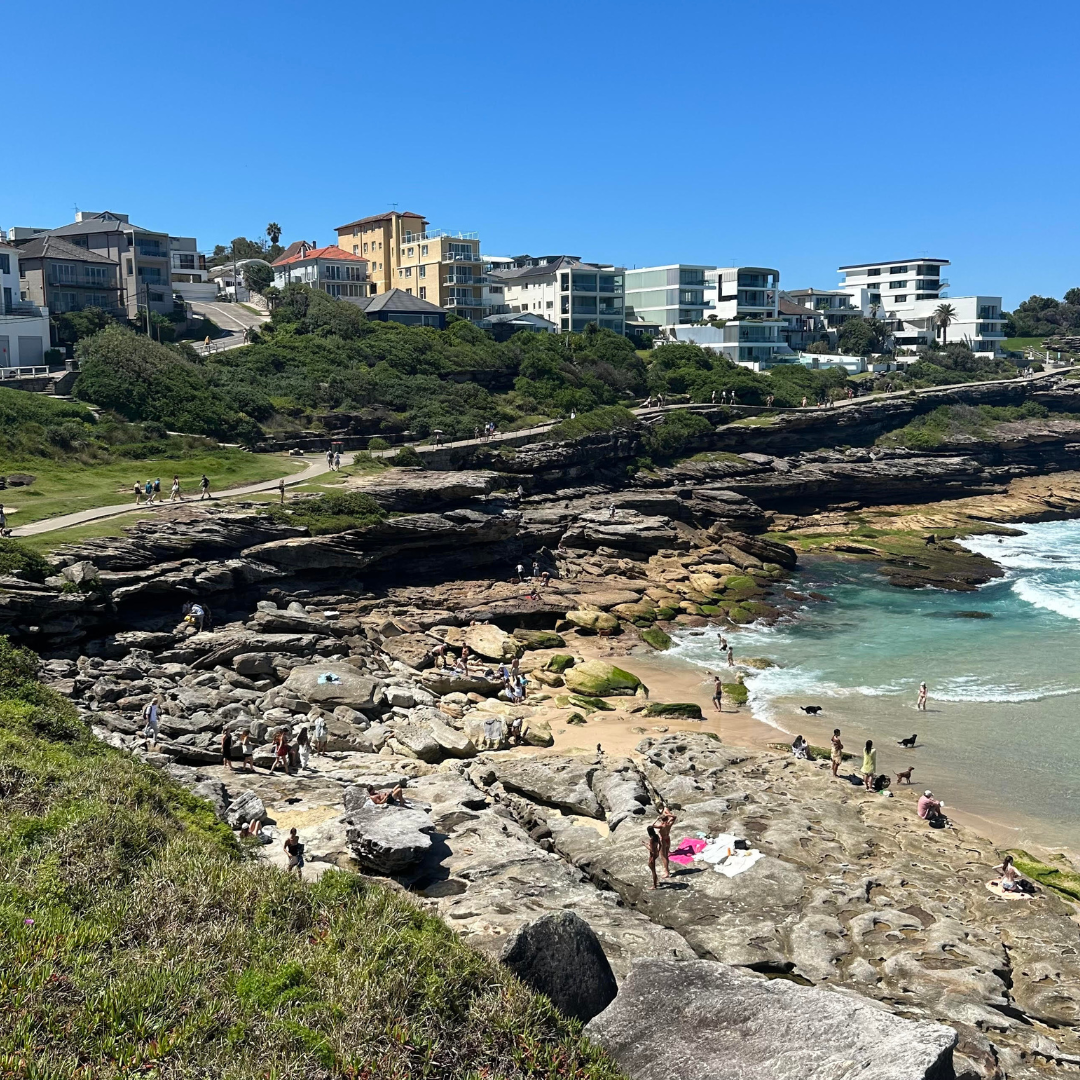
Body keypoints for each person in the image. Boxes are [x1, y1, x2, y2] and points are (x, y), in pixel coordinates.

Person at [653, 807, 677, 879]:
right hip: (668, 839)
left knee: (663, 857)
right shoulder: (669, 824)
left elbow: (652, 826)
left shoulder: (661, 826)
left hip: (663, 840)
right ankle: (667, 869)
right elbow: (675, 817)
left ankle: (666, 872)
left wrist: (657, 819)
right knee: (666, 855)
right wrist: (669, 815)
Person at [643, 825, 661, 890]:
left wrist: (645, 845)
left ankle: (654, 885)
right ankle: (656, 880)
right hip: (656, 853)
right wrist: (658, 851)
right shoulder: (657, 836)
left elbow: (651, 850)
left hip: (652, 855)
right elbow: (660, 844)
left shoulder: (651, 839)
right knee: (650, 866)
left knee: (653, 870)